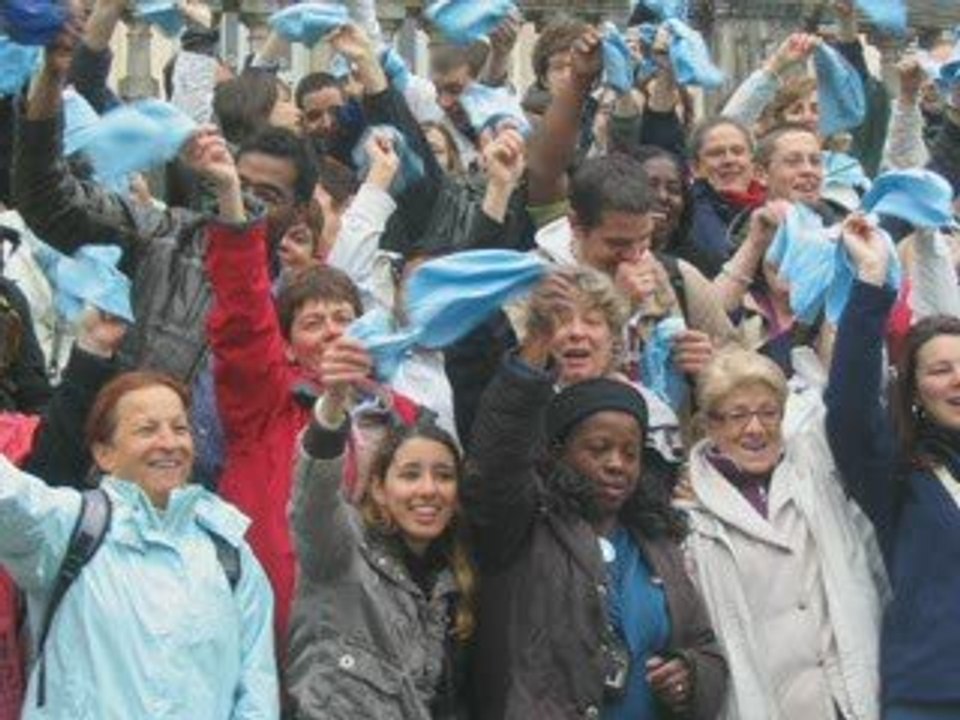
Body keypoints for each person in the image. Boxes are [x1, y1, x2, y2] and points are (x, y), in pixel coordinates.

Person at [462, 273, 727, 719]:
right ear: (557, 453)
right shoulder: (525, 525)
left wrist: (690, 674)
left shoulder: (655, 539)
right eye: (598, 448)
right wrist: (534, 349)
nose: (616, 463)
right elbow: (496, 460)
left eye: (629, 452)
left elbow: (703, 646)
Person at [0, 370, 278, 718]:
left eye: (180, 428)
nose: (169, 443)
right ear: (104, 453)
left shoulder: (231, 553)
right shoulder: (70, 526)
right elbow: (9, 496)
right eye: (147, 430)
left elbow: (257, 693)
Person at [680, 341, 886, 719]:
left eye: (768, 412)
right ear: (710, 424)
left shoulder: (818, 475)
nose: (755, 428)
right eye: (738, 415)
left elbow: (855, 402)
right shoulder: (689, 521)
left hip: (849, 703)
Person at [286, 337, 473, 718]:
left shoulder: (453, 586)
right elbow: (314, 497)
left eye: (443, 475)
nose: (428, 489)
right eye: (410, 474)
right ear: (378, 489)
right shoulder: (341, 550)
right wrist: (333, 406)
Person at [826, 214, 960, 719]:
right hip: (932, 699)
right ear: (915, 391)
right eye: (941, 370)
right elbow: (849, 409)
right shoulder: (902, 475)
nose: (958, 379)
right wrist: (871, 282)